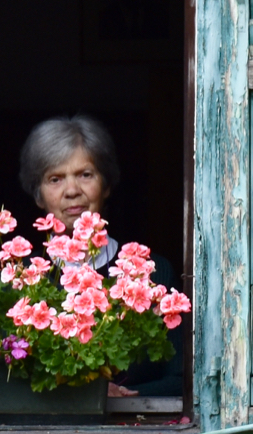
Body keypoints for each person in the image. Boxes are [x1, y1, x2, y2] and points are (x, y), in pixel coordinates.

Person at [18, 115, 185, 397]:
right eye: (55, 179)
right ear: (38, 196)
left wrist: (124, 396)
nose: (72, 191)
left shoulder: (152, 272)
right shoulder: (20, 278)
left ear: (106, 185)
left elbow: (183, 380)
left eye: (85, 175)